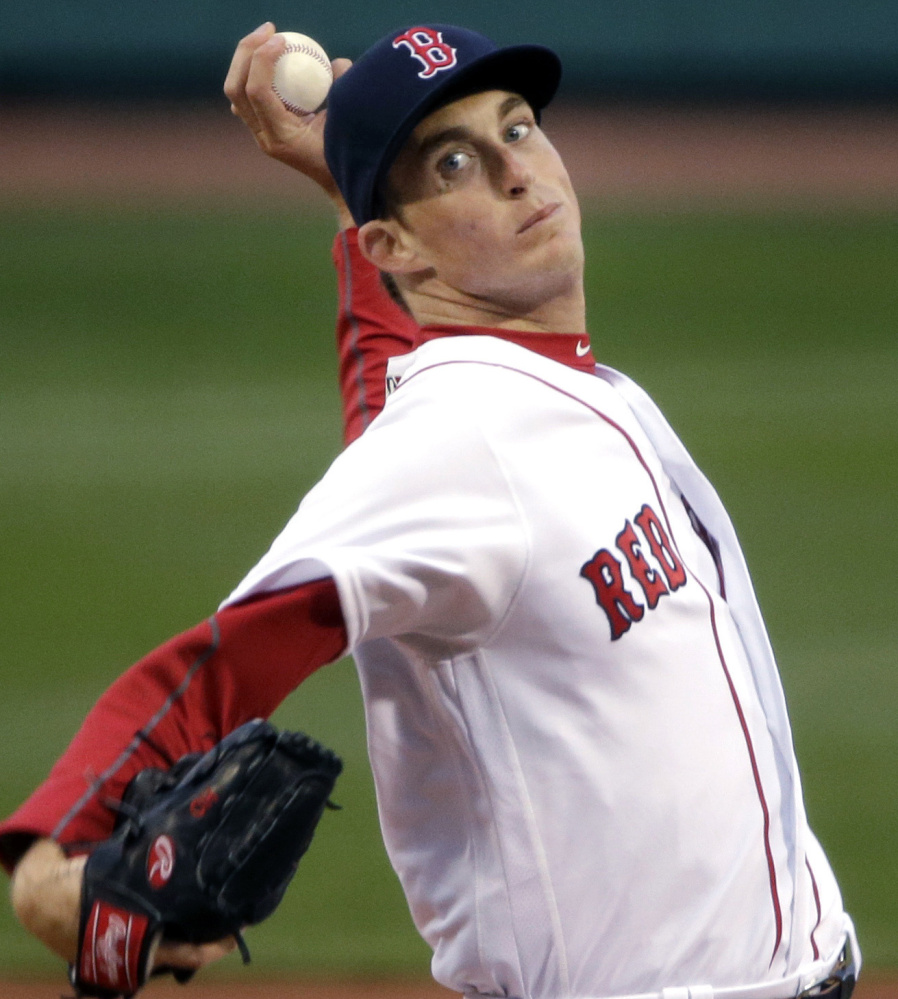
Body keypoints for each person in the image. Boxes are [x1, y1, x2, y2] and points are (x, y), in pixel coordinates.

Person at [2, 21, 860, 999]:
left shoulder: (519, 392)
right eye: (454, 162)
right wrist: (46, 860)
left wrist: (344, 189)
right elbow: (217, 661)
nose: (514, 172)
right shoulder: (464, 447)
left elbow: (388, 407)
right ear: (393, 245)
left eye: (520, 128)